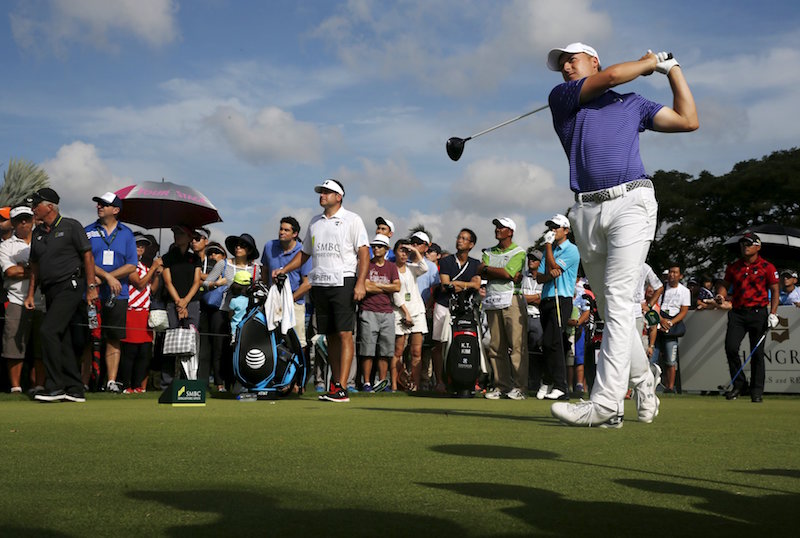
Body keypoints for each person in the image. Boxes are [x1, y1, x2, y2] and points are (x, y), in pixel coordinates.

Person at [545, 42, 698, 427]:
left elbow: (688, 120)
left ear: (592, 60)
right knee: (612, 309)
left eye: (572, 60)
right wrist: (649, 63)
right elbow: (612, 75)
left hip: (632, 201)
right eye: (561, 64)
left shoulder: (634, 104)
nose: (565, 68)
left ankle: (606, 402)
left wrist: (673, 69)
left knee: (616, 297)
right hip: (585, 210)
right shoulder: (563, 98)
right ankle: (645, 382)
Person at [273, 179, 369, 403]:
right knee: (331, 336)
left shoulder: (352, 219)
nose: (322, 195)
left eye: (327, 192)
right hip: (321, 284)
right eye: (321, 192)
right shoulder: (315, 222)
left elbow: (364, 253)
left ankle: (343, 388)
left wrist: (361, 282)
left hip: (344, 281)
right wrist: (285, 269)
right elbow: (305, 254)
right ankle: (336, 385)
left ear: (339, 196)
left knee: (345, 333)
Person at [25, 188, 98, 402]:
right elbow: (35, 267)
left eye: (36, 204)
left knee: (48, 330)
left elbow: (88, 257)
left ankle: (55, 386)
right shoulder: (37, 233)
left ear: (49, 206)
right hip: (50, 290)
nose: (32, 209)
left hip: (71, 285)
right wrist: (31, 294)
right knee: (62, 337)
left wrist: (92, 287)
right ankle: (74, 389)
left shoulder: (71, 226)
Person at [716, 232, 779, 402]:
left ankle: (756, 391)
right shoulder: (734, 267)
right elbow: (724, 285)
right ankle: (739, 384)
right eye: (743, 244)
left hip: (758, 313)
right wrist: (721, 296)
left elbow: (774, 291)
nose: (745, 246)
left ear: (758, 247)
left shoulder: (768, 267)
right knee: (731, 347)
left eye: (749, 244)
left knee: (757, 353)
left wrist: (773, 313)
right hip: (738, 313)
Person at [84, 191, 137, 393]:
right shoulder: (88, 231)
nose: (99, 207)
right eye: (98, 204)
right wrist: (107, 277)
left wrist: (110, 276)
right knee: (90, 337)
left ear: (116, 210)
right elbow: (85, 259)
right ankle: (85, 381)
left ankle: (111, 381)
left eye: (104, 204)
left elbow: (132, 264)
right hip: (92, 293)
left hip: (118, 294)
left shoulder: (126, 233)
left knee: (113, 337)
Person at [204, 233, 262, 389]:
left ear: (249, 250)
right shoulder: (223, 264)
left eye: (243, 245)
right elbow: (205, 283)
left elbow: (259, 289)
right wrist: (217, 284)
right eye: (237, 245)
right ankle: (219, 383)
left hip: (245, 314)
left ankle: (236, 381)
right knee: (219, 347)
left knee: (240, 348)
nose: (238, 247)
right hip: (223, 311)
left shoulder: (255, 268)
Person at [479, 217, 528, 400]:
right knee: (496, 346)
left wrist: (489, 270)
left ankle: (519, 387)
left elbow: (508, 273)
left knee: (516, 345)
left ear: (511, 232)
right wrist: (500, 272)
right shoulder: (489, 251)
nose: (498, 229)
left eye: (502, 227)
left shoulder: (519, 252)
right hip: (493, 301)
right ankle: (502, 386)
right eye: (497, 227)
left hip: (512, 300)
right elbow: (483, 269)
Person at [0, 206, 45, 394]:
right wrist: (35, 271)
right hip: (16, 299)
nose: (24, 223)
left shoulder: (43, 241)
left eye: (26, 218)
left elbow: (49, 269)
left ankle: (39, 386)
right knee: (13, 346)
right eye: (19, 220)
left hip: (42, 301)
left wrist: (24, 269)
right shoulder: (5, 246)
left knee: (40, 348)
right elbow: (10, 272)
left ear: (33, 219)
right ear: (14, 222)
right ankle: (16, 387)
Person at [431, 229, 482, 393]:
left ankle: (470, 379)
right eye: (459, 237)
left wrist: (458, 284)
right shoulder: (446, 262)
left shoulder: (475, 264)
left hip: (465, 309)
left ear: (471, 244)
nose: (460, 240)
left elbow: (477, 285)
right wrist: (467, 284)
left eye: (464, 238)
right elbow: (446, 285)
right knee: (440, 343)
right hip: (444, 305)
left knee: (471, 342)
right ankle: (440, 381)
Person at [535, 214, 580, 401]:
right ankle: (548, 380)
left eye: (556, 227)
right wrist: (549, 271)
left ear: (566, 230)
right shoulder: (550, 249)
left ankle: (560, 386)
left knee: (553, 343)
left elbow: (554, 269)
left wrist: (547, 247)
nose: (552, 230)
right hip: (546, 298)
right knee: (549, 342)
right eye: (551, 227)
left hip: (561, 299)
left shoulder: (572, 250)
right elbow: (540, 276)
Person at [260, 217, 312, 350]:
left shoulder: (303, 252)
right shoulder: (269, 246)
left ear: (295, 234)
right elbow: (264, 271)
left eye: (286, 230)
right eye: (281, 229)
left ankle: (301, 370)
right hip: (272, 302)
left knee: (298, 343)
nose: (281, 232)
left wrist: (289, 300)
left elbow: (307, 284)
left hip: (295, 303)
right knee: (272, 340)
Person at [119, 233, 162, 393]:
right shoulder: (129, 265)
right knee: (130, 351)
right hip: (131, 311)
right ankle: (126, 385)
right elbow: (139, 284)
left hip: (145, 313)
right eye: (138, 245)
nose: (141, 248)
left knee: (144, 352)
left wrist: (156, 275)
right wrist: (153, 268)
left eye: (143, 246)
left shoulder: (144, 267)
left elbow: (152, 289)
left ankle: (138, 386)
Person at [358, 234, 400, 392]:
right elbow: (366, 286)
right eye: (374, 246)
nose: (376, 248)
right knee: (367, 349)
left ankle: (382, 382)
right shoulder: (366, 265)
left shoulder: (391, 266)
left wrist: (376, 285)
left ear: (387, 249)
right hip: (369, 309)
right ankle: (367, 382)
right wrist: (385, 285)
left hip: (387, 311)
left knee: (385, 350)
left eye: (380, 246)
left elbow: (397, 287)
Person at [161, 225, 202, 381]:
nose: (177, 236)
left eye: (180, 233)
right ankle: (167, 382)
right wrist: (179, 302)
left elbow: (197, 281)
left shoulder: (195, 258)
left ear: (189, 237)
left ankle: (189, 380)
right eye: (175, 233)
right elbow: (167, 282)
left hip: (192, 303)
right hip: (173, 303)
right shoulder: (168, 257)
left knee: (191, 343)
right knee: (171, 341)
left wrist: (185, 302)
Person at [391, 238, 428, 391]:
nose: (404, 254)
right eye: (401, 250)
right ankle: (395, 385)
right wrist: (406, 313)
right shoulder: (391, 268)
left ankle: (415, 385)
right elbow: (395, 294)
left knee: (416, 352)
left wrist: (415, 251)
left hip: (417, 312)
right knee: (398, 351)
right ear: (394, 252)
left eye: (407, 251)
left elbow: (424, 267)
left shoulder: (412, 268)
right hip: (399, 312)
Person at [655, 265, 690, 393]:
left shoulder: (684, 291)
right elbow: (655, 305)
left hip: (673, 323)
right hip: (659, 322)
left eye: (675, 272)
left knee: (671, 359)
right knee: (652, 358)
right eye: (670, 272)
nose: (672, 275)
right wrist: (661, 320)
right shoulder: (661, 289)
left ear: (680, 276)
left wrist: (671, 322)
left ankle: (670, 387)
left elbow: (684, 310)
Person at [520, 248, 544, 395]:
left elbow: (542, 300)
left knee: (536, 351)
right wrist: (534, 297)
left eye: (534, 259)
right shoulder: (523, 277)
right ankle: (523, 382)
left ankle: (535, 382)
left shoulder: (544, 278)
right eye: (530, 258)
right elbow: (519, 298)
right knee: (521, 351)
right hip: (522, 317)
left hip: (537, 318)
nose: (531, 261)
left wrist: (529, 298)